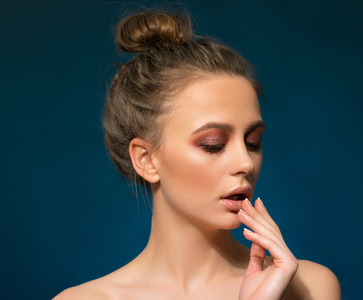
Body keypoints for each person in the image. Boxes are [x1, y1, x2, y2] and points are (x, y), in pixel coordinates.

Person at [54, 9, 341, 300]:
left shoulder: (309, 287)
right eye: (213, 144)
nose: (245, 163)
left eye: (253, 142)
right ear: (146, 159)